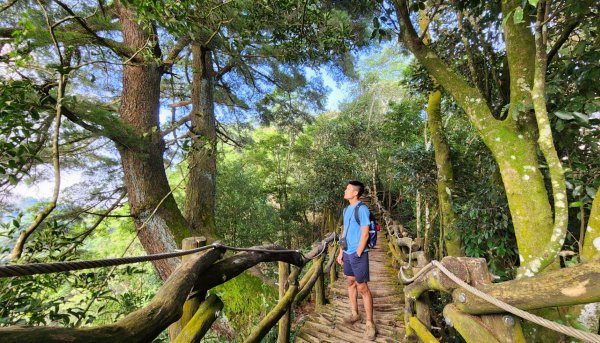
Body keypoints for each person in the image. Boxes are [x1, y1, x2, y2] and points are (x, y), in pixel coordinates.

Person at [337, 180, 377, 340]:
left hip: (357, 254)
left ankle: (370, 323)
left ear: (355, 193)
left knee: (363, 288)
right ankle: (355, 313)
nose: (345, 191)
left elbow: (365, 233)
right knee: (350, 282)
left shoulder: (362, 209)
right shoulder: (346, 209)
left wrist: (358, 252)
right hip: (347, 252)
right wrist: (341, 252)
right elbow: (344, 232)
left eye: (347, 189)